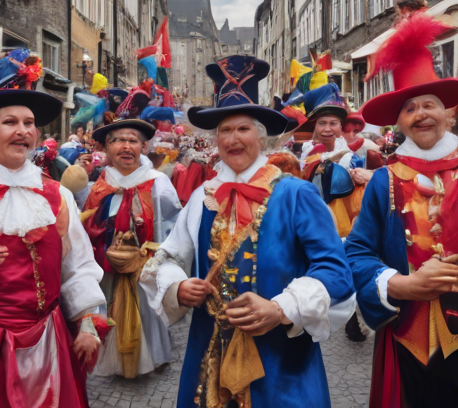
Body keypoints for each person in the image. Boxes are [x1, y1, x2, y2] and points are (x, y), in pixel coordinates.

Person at [141, 56, 356, 408]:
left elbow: (335, 271)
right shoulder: (202, 197)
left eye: (243, 129)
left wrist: (280, 307)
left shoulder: (295, 194)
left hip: (281, 360)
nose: (233, 138)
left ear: (261, 136)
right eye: (225, 130)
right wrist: (177, 285)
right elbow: (168, 257)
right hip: (209, 355)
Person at [0, 88, 107, 408]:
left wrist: (88, 323)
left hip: (50, 341)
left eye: (30, 123)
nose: (24, 130)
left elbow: (78, 265)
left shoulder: (54, 193)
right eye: (10, 122)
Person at [345, 12, 458, 408]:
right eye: (410, 109)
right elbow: (357, 253)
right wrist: (400, 285)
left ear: (449, 113)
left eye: (429, 104)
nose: (421, 114)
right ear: (400, 124)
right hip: (410, 335)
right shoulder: (384, 180)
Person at [82, 118, 182, 378]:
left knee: (146, 308)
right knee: (110, 304)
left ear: (144, 147)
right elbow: (88, 221)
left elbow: (172, 222)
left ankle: (152, 355)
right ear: (107, 147)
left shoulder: (157, 182)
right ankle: (109, 356)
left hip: (145, 263)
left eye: (132, 141)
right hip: (108, 263)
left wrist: (160, 257)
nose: (126, 147)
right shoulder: (100, 183)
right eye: (118, 140)